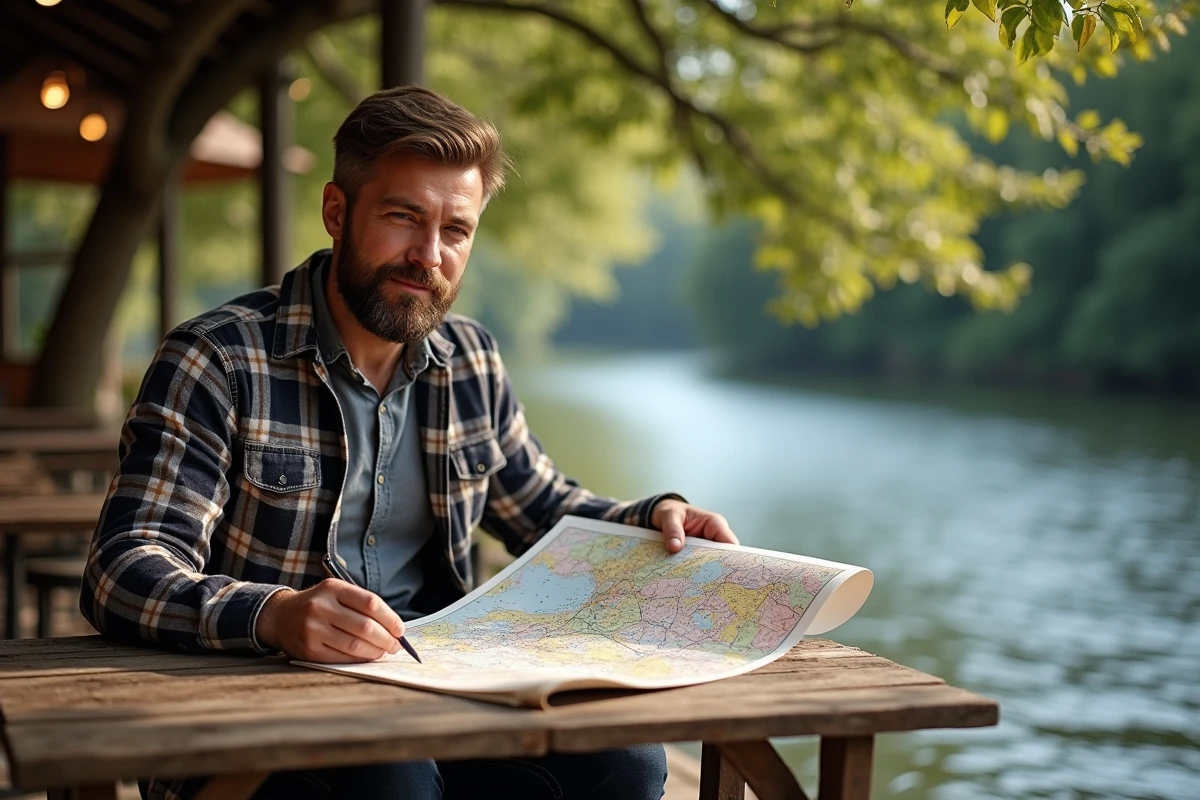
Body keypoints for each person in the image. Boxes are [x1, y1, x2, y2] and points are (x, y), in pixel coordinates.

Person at [81, 85, 739, 800]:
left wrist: (653, 519)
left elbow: (541, 508)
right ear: (337, 212)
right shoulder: (217, 359)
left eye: (455, 230)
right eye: (403, 217)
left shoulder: (471, 359)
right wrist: (273, 615)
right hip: (255, 711)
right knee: (391, 774)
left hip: (435, 692)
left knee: (628, 759)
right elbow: (122, 570)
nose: (428, 255)